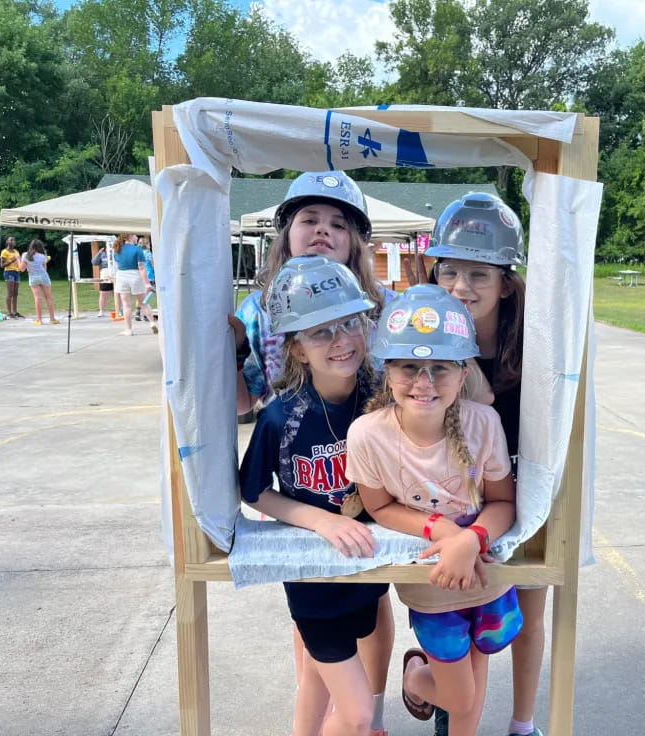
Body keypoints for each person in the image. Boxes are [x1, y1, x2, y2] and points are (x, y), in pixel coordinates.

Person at [346, 285, 521, 736]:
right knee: (460, 695)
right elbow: (379, 505)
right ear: (387, 373)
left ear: (463, 375)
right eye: (409, 368)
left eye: (440, 368)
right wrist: (442, 531)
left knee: (475, 685)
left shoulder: (484, 424)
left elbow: (503, 502)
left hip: (483, 567)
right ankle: (415, 679)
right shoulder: (367, 434)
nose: (424, 383)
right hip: (432, 577)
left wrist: (470, 539)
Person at [238, 255, 392, 736]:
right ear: (298, 349)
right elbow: (254, 491)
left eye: (350, 322)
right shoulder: (282, 416)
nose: (342, 339)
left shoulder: (384, 396)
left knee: (316, 683)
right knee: (359, 715)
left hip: (365, 568)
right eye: (321, 331)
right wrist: (321, 520)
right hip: (313, 582)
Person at [423, 192, 543, 736]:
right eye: (449, 271)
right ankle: (448, 709)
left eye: (478, 275)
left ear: (505, 283)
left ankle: (522, 726)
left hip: (528, 494)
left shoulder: (540, 340)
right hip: (459, 499)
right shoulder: (426, 333)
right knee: (462, 621)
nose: (460, 288)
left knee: (528, 614)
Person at [232, 171, 390, 415]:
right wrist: (234, 354)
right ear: (287, 234)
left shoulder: (387, 307)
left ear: (354, 242)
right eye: (309, 220)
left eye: (338, 225)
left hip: (374, 448)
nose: (322, 230)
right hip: (293, 450)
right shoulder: (259, 311)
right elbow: (242, 405)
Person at [112, 234, 156, 335]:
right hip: (135, 276)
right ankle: (152, 322)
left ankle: (128, 329)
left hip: (122, 276)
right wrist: (147, 283)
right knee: (144, 303)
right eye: (135, 236)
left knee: (126, 305)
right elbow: (141, 268)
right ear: (130, 236)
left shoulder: (117, 249)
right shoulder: (137, 249)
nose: (137, 238)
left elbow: (117, 265)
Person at [21, 240, 58, 325]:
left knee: (37, 298)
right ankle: (52, 319)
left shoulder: (25, 255)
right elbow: (45, 269)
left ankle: (39, 320)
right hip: (43, 277)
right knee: (49, 298)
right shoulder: (43, 256)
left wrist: (19, 260)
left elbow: (21, 269)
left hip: (33, 277)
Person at [0, 237, 25, 319]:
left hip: (17, 272)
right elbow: (1, 265)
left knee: (15, 293)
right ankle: (9, 313)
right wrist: (12, 260)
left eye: (14, 240)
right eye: (11, 240)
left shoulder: (16, 251)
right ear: (7, 242)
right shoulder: (4, 252)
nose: (13, 241)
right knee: (10, 293)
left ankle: (15, 312)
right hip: (9, 272)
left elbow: (19, 262)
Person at [91, 243, 114, 318]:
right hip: (105, 274)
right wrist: (99, 252)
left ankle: (120, 310)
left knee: (119, 293)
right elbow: (94, 262)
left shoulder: (117, 252)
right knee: (103, 293)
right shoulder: (103, 254)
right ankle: (101, 311)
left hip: (116, 272)